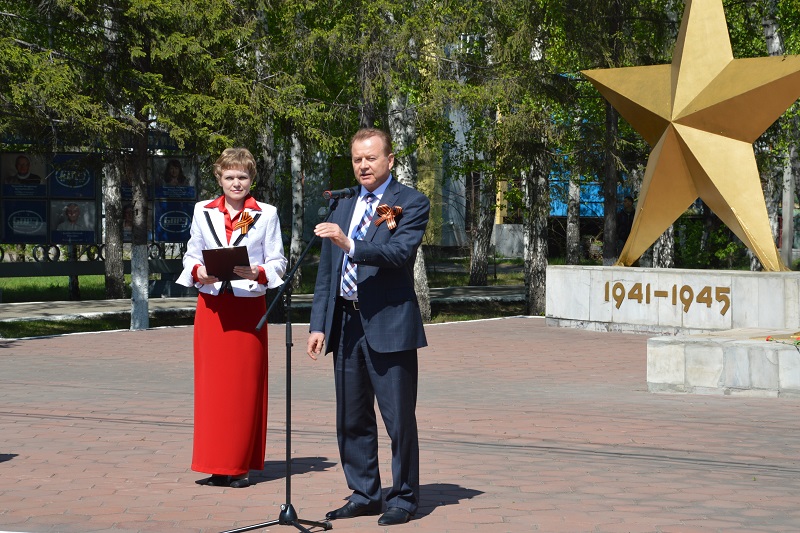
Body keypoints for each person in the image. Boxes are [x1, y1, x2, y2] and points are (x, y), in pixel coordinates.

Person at [306, 128, 430, 526]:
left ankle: (404, 497)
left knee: (397, 418)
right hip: (345, 322)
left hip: (389, 323)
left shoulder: (408, 202)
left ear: (389, 161)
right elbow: (328, 272)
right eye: (357, 159)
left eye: (371, 158)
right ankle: (364, 492)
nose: (363, 166)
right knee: (352, 416)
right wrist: (318, 323)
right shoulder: (343, 204)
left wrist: (351, 245)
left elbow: (398, 252)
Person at [176, 147, 286, 489]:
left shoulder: (266, 214)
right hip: (211, 309)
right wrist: (198, 272)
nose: (236, 183)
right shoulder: (201, 211)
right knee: (212, 391)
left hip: (247, 309)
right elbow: (191, 256)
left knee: (243, 389)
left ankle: (239, 466)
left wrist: (258, 271)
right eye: (229, 177)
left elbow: (278, 261)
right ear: (218, 178)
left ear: (252, 179)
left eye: (242, 177)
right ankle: (215, 465)